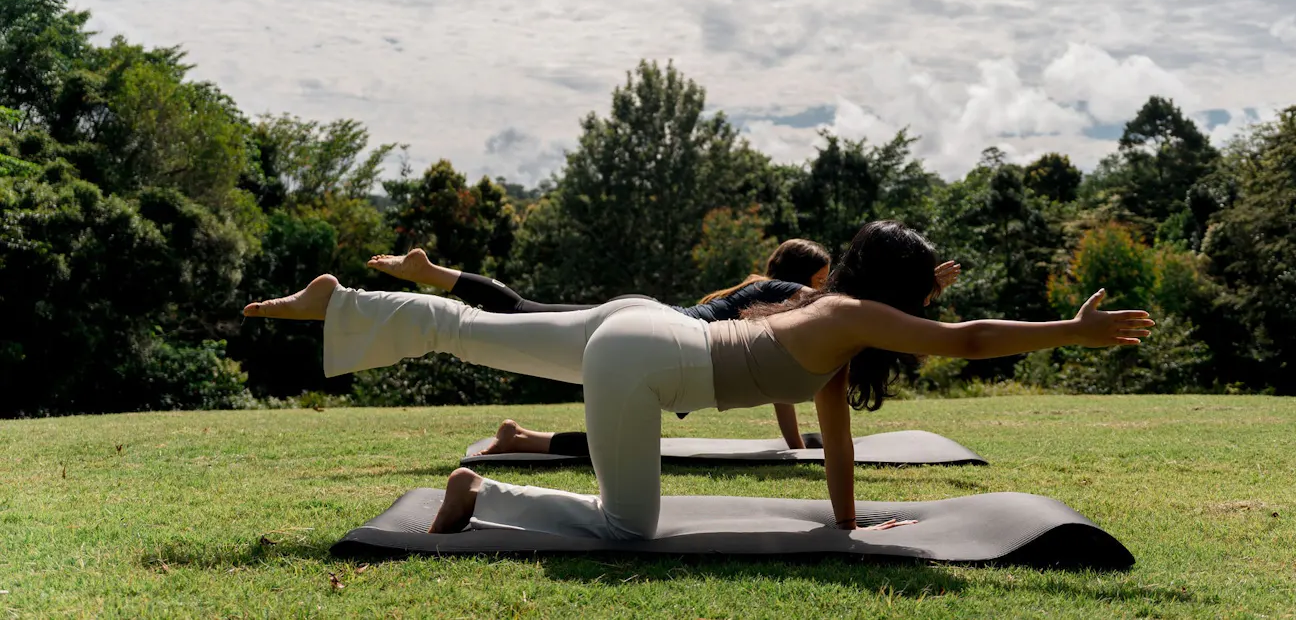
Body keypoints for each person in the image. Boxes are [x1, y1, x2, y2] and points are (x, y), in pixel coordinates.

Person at [244, 220, 1152, 540]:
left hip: (645, 327)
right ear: (896, 298)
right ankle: (481, 490)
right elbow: (965, 339)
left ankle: (343, 302)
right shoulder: (846, 319)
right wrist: (1071, 329)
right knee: (627, 528)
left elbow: (838, 453)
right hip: (647, 357)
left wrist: (851, 524)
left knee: (478, 330)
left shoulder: (828, 328)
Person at [364, 240, 961, 453]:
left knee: (523, 316)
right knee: (518, 313)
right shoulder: (800, 301)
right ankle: (437, 278)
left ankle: (522, 438)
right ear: (813, 276)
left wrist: (923, 291)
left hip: (654, 325)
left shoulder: (770, 293)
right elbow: (867, 316)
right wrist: (921, 292)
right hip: (662, 335)